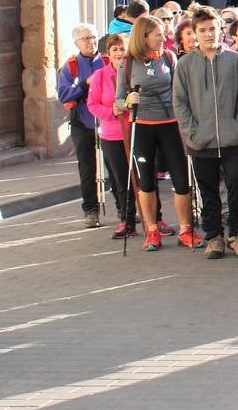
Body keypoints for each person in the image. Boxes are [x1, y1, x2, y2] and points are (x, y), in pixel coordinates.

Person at [173, 6, 238, 259]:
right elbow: (180, 102)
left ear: (221, 30)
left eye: (212, 29)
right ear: (195, 34)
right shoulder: (185, 64)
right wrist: (191, 133)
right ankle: (214, 236)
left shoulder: (235, 60)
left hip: (232, 138)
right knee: (208, 191)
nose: (209, 34)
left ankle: (237, 234)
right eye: (202, 30)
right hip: (201, 140)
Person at [116, 15, 200, 251]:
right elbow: (118, 101)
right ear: (144, 37)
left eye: (164, 33)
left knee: (181, 180)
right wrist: (127, 100)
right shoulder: (127, 63)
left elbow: (179, 90)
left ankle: (186, 229)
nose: (164, 37)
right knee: (146, 183)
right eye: (158, 34)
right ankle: (151, 231)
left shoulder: (168, 57)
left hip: (170, 124)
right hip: (142, 126)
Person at [86, 33, 136, 237]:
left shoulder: (134, 72)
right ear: (108, 53)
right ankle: (126, 218)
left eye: (122, 49)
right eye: (114, 49)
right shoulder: (100, 75)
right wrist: (111, 112)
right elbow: (93, 104)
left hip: (135, 131)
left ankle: (154, 218)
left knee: (141, 178)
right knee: (119, 180)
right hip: (112, 134)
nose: (119, 53)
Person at [57, 23, 105, 228]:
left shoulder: (107, 60)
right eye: (85, 38)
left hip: (107, 119)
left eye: (93, 37)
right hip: (82, 119)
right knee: (87, 168)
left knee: (116, 166)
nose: (91, 42)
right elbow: (64, 94)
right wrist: (86, 84)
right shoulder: (70, 66)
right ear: (76, 42)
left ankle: (125, 210)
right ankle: (91, 210)